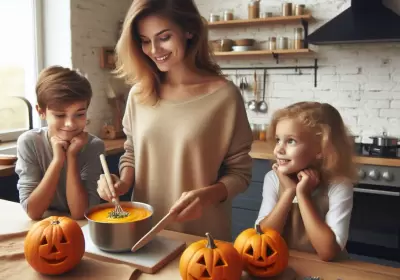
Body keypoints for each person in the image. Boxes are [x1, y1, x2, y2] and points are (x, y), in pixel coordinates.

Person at [96, 0, 253, 241]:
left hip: (204, 240)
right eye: (145, 40)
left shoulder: (225, 96)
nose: (154, 50)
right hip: (144, 234)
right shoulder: (139, 94)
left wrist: (207, 196)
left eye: (164, 37)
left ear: (189, 30)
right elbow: (132, 153)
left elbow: (240, 174)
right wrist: (121, 183)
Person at [256, 102, 356, 261]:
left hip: (328, 271)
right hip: (285, 265)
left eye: (291, 141)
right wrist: (288, 193)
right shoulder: (273, 179)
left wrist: (303, 195)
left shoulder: (338, 185)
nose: (278, 150)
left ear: (320, 149)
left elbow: (328, 252)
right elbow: (259, 240)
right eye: (277, 140)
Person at [15, 66, 105, 220]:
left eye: (80, 114)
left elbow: (80, 213)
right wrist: (57, 160)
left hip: (80, 228)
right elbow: (33, 212)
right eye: (60, 115)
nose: (70, 123)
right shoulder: (29, 142)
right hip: (42, 226)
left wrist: (71, 157)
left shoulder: (94, 146)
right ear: (41, 112)